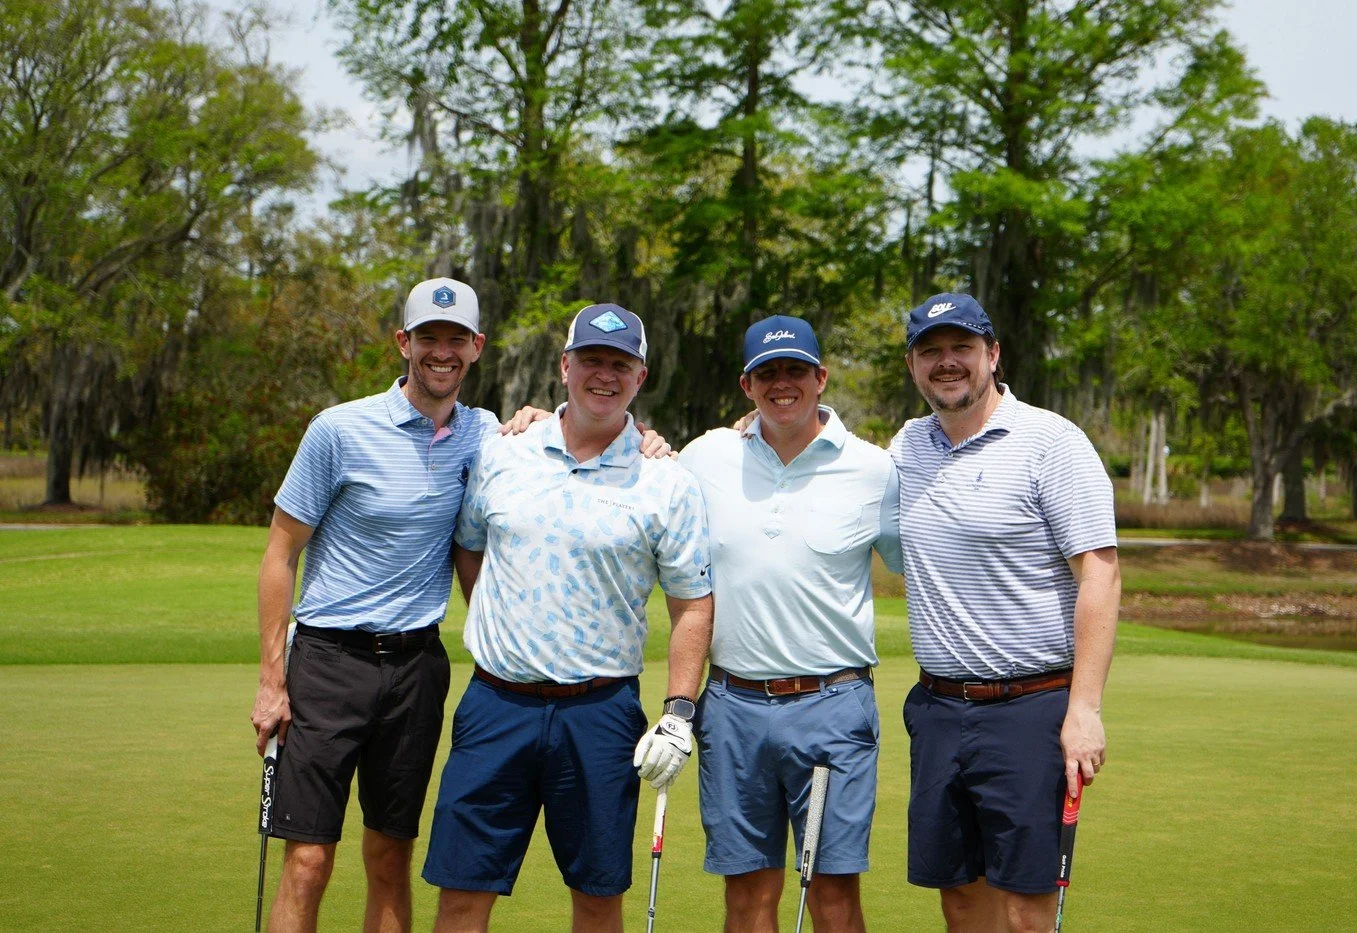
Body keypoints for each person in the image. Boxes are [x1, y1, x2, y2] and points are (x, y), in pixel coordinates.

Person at [423, 303, 714, 933]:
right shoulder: (505, 450)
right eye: (591, 360)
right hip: (496, 705)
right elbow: (469, 545)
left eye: (620, 364)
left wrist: (679, 710)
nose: (603, 376)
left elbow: (691, 603)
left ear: (641, 376)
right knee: (462, 892)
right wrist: (503, 623)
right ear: (564, 366)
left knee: (597, 895)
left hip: (601, 713)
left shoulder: (666, 479)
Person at [249, 277, 495, 933]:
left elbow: (579, 423)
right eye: (427, 338)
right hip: (329, 661)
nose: (440, 352)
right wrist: (272, 680)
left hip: (416, 668)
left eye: (454, 340)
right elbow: (280, 553)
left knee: (390, 854)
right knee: (307, 859)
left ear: (475, 347)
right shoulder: (339, 429)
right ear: (403, 343)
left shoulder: (486, 434)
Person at [891, 293, 1121, 933]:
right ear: (912, 366)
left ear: (992, 354)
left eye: (961, 348)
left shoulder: (1052, 442)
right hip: (937, 709)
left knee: (1024, 906)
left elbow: (1099, 573)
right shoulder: (907, 446)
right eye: (930, 351)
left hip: (1030, 709)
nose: (946, 363)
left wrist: (1085, 710)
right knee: (959, 895)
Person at [678, 316, 902, 933]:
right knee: (747, 898)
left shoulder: (874, 470)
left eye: (795, 371)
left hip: (833, 704)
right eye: (768, 373)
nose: (783, 384)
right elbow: (634, 461)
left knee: (832, 895)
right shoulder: (704, 457)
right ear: (746, 384)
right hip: (732, 707)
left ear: (820, 378)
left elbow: (927, 566)